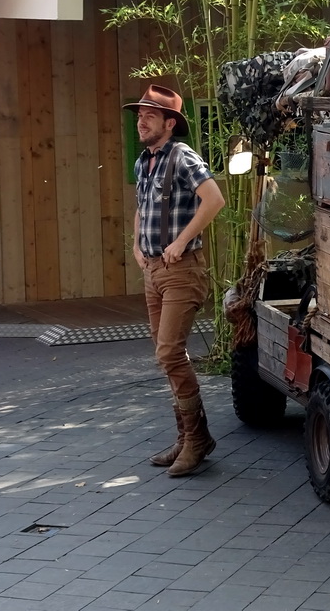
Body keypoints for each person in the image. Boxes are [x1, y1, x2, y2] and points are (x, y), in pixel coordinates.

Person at [124, 85, 226, 477]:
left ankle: (197, 439)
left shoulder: (182, 157)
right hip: (152, 270)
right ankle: (188, 438)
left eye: (150, 115)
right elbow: (141, 208)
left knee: (168, 353)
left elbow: (214, 199)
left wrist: (181, 241)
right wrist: (136, 246)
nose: (141, 120)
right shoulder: (143, 162)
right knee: (169, 357)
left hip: (182, 270)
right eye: (139, 115)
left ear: (170, 123)